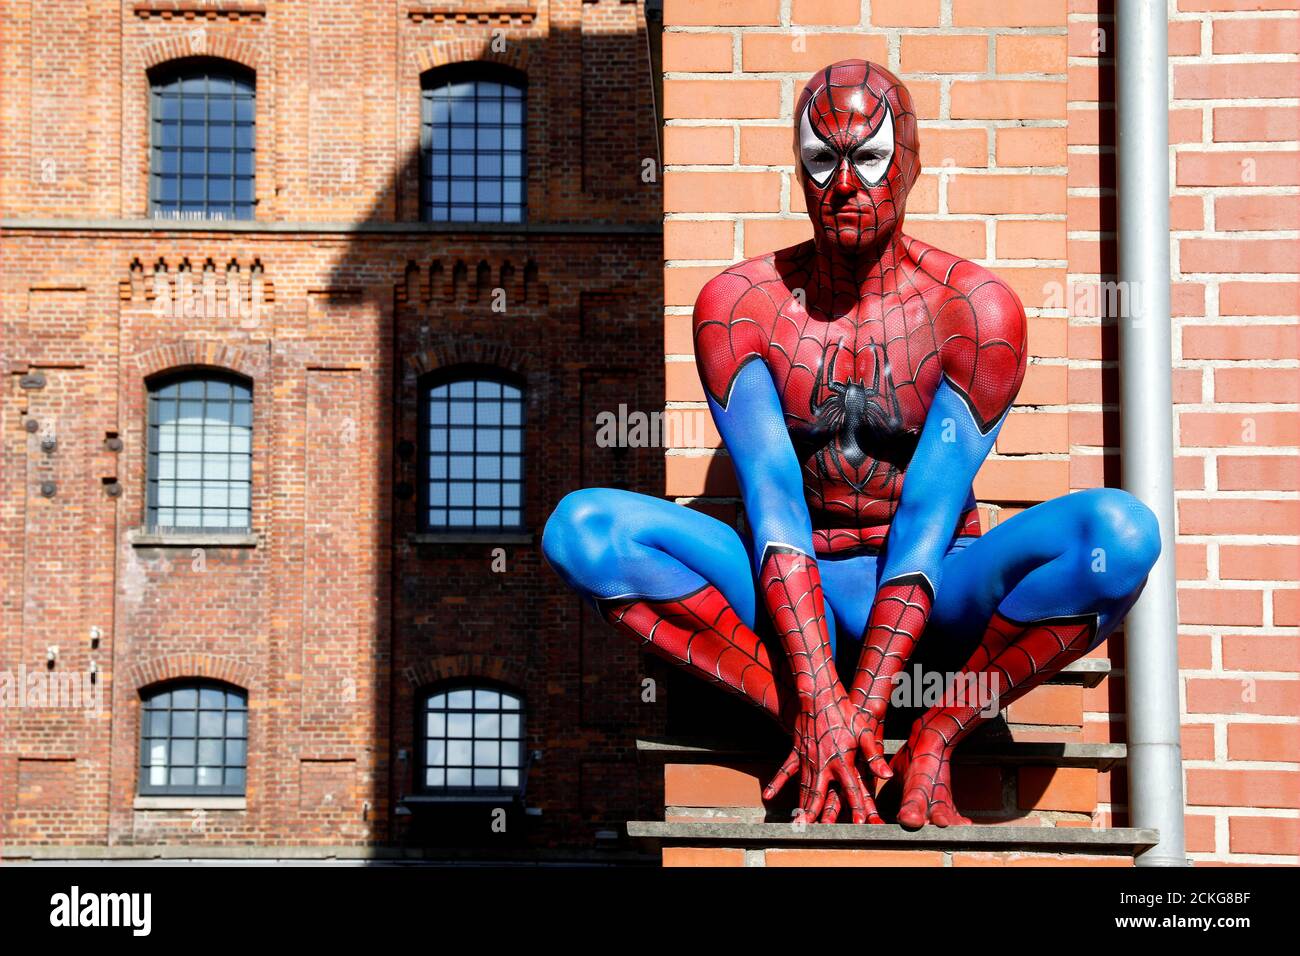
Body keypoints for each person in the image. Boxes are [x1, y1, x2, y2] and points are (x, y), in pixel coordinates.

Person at [542, 60, 1160, 827]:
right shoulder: (742, 307)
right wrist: (816, 703)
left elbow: (926, 520)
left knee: (1120, 537)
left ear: (909, 162)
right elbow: (775, 509)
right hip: (798, 596)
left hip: (943, 588)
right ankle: (796, 720)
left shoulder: (976, 310)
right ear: (798, 169)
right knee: (583, 528)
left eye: (868, 157)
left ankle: (938, 731)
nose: (844, 183)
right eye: (820, 159)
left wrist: (872, 709)